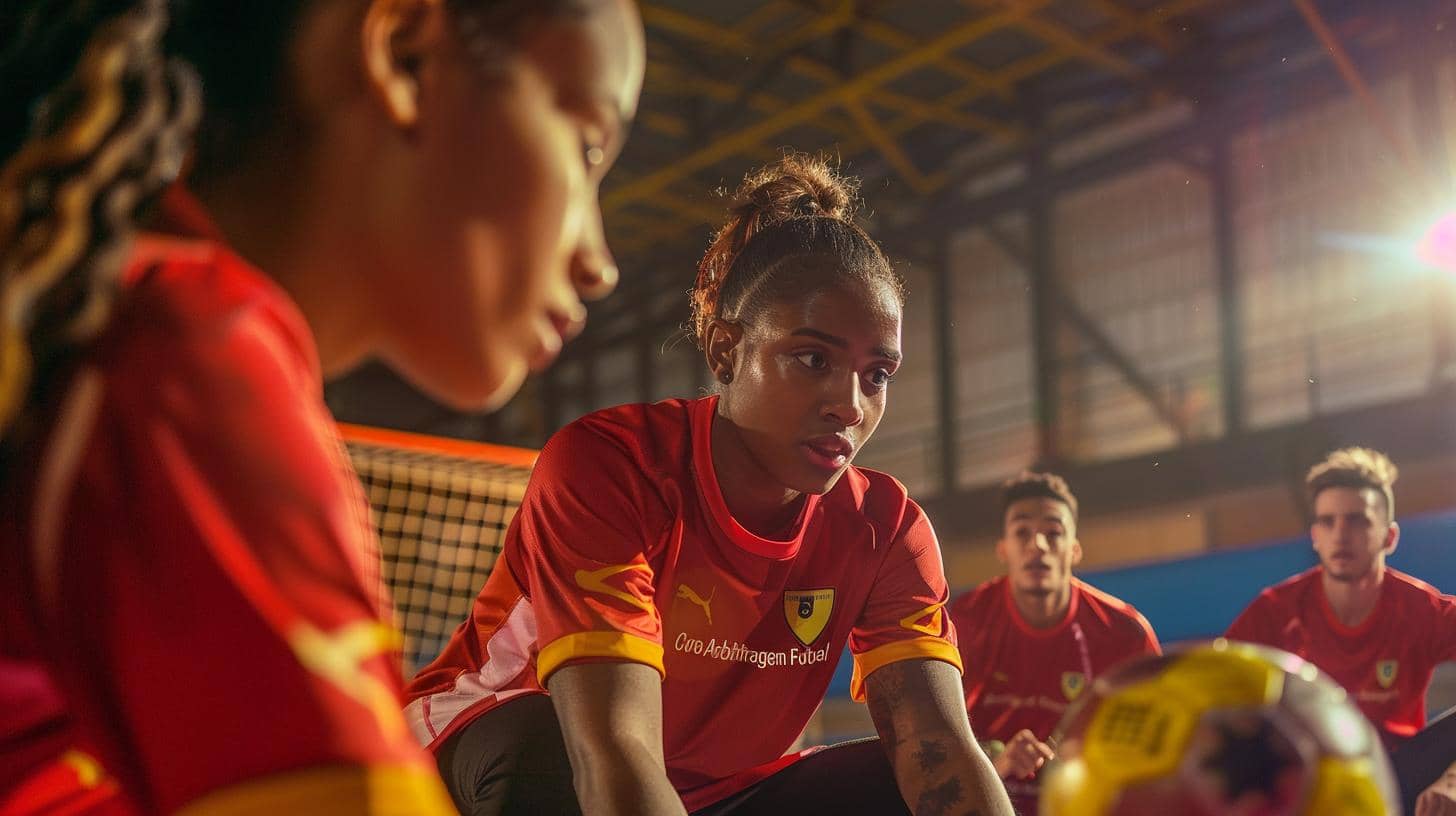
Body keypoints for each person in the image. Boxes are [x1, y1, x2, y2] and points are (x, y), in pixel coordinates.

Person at [0, 0, 644, 812]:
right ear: (406, 57)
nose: (601, 264)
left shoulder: (89, 324)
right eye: (587, 146)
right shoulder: (182, 345)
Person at [405, 154, 1014, 816]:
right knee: (547, 756)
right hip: (486, 759)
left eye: (878, 375)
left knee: (903, 782)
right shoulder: (611, 467)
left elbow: (942, 748)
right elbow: (615, 751)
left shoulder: (886, 527)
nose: (851, 404)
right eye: (814, 359)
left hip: (698, 795)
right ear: (726, 351)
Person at [949, 471, 1161, 814]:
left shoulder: (1126, 634)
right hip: (983, 803)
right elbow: (931, 741)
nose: (1038, 546)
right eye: (1022, 532)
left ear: (1074, 549)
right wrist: (994, 764)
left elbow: (1155, 746)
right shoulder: (962, 622)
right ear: (1003, 549)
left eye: (1054, 532)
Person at [1224, 447, 1456, 749]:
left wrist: (1452, 776)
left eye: (1358, 521)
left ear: (1390, 537)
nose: (1340, 535)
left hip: (1399, 781)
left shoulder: (1421, 610)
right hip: (1309, 782)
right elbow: (1211, 688)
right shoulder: (1274, 612)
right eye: (1327, 521)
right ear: (1315, 537)